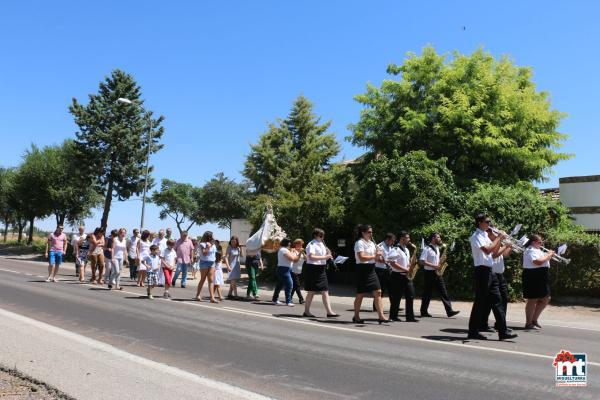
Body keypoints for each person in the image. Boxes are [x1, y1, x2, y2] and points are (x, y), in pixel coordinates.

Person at [468, 214, 517, 341]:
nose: (489, 224)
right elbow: (487, 250)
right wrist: (499, 237)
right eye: (487, 221)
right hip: (482, 271)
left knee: (498, 300)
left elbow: (495, 253)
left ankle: (503, 331)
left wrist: (502, 241)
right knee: (479, 302)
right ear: (480, 222)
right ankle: (473, 331)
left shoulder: (485, 235)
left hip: (490, 271)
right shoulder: (476, 236)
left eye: (490, 221)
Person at [419, 233, 460, 319]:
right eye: (438, 237)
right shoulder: (427, 248)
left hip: (437, 273)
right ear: (433, 238)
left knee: (443, 292)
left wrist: (442, 261)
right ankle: (423, 311)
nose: (440, 238)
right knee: (427, 293)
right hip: (429, 273)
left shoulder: (437, 248)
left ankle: (449, 311)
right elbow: (422, 261)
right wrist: (433, 266)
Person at [353, 225, 388, 324]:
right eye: (369, 232)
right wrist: (375, 256)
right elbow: (362, 257)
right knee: (360, 294)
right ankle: (356, 316)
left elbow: (377, 258)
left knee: (378, 292)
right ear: (363, 233)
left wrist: (380, 254)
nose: (371, 234)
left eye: (371, 232)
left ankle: (381, 316)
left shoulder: (372, 243)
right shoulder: (359, 243)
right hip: (362, 270)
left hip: (371, 269)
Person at [480, 227, 512, 332]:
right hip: (492, 274)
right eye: (496, 232)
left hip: (500, 275)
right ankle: (483, 324)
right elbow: (494, 255)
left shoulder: (497, 242)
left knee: (504, 299)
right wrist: (505, 245)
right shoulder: (489, 243)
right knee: (490, 302)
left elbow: (505, 254)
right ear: (489, 234)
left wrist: (509, 246)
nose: (498, 234)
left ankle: (500, 324)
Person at [303, 228, 338, 318]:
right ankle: (306, 311)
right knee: (311, 291)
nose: (322, 237)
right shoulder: (312, 244)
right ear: (315, 235)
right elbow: (311, 257)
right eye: (321, 236)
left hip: (321, 269)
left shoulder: (321, 244)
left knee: (325, 290)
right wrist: (325, 257)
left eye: (323, 236)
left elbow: (326, 254)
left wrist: (329, 254)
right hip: (313, 269)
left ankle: (329, 312)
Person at [522, 234, 554, 330]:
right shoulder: (530, 250)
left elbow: (542, 261)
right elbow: (537, 262)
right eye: (539, 242)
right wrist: (549, 255)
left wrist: (548, 256)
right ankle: (528, 323)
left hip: (541, 276)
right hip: (533, 276)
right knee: (532, 299)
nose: (541, 244)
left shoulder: (538, 250)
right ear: (533, 242)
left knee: (546, 298)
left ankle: (534, 320)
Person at [388, 231, 417, 322]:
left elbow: (406, 263)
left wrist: (411, 264)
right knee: (397, 297)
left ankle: (410, 317)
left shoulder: (407, 250)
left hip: (407, 276)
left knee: (411, 295)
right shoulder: (395, 249)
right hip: (397, 276)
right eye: (407, 238)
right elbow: (392, 263)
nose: (409, 240)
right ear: (402, 238)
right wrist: (405, 269)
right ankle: (393, 316)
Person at [272, 238, 301, 306]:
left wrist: (295, 253)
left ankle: (275, 299)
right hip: (284, 270)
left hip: (284, 269)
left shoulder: (283, 249)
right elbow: (293, 259)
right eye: (289, 243)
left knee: (279, 285)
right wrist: (300, 253)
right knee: (289, 285)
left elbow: (293, 258)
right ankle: (288, 301)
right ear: (286, 243)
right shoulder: (284, 250)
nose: (290, 244)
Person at [373, 233, 395, 311]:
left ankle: (394, 305)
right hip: (380, 269)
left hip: (388, 269)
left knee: (391, 288)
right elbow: (376, 258)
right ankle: (376, 306)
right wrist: (384, 260)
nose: (393, 243)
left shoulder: (391, 247)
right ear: (387, 239)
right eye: (392, 241)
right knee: (380, 289)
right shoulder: (379, 246)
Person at [195, 231, 217, 303]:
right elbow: (204, 254)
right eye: (213, 236)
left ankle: (212, 298)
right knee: (203, 279)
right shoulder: (202, 244)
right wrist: (208, 247)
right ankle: (197, 295)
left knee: (211, 280)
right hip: (204, 262)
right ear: (209, 236)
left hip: (212, 263)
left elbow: (214, 254)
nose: (214, 237)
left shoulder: (213, 244)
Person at [290, 239, 305, 304]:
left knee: (294, 286)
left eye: (302, 244)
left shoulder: (301, 252)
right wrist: (299, 253)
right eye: (300, 244)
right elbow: (295, 260)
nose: (301, 246)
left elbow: (306, 259)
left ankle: (289, 297)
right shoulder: (293, 251)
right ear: (296, 244)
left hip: (299, 271)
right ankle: (301, 299)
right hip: (293, 270)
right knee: (297, 285)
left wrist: (303, 253)